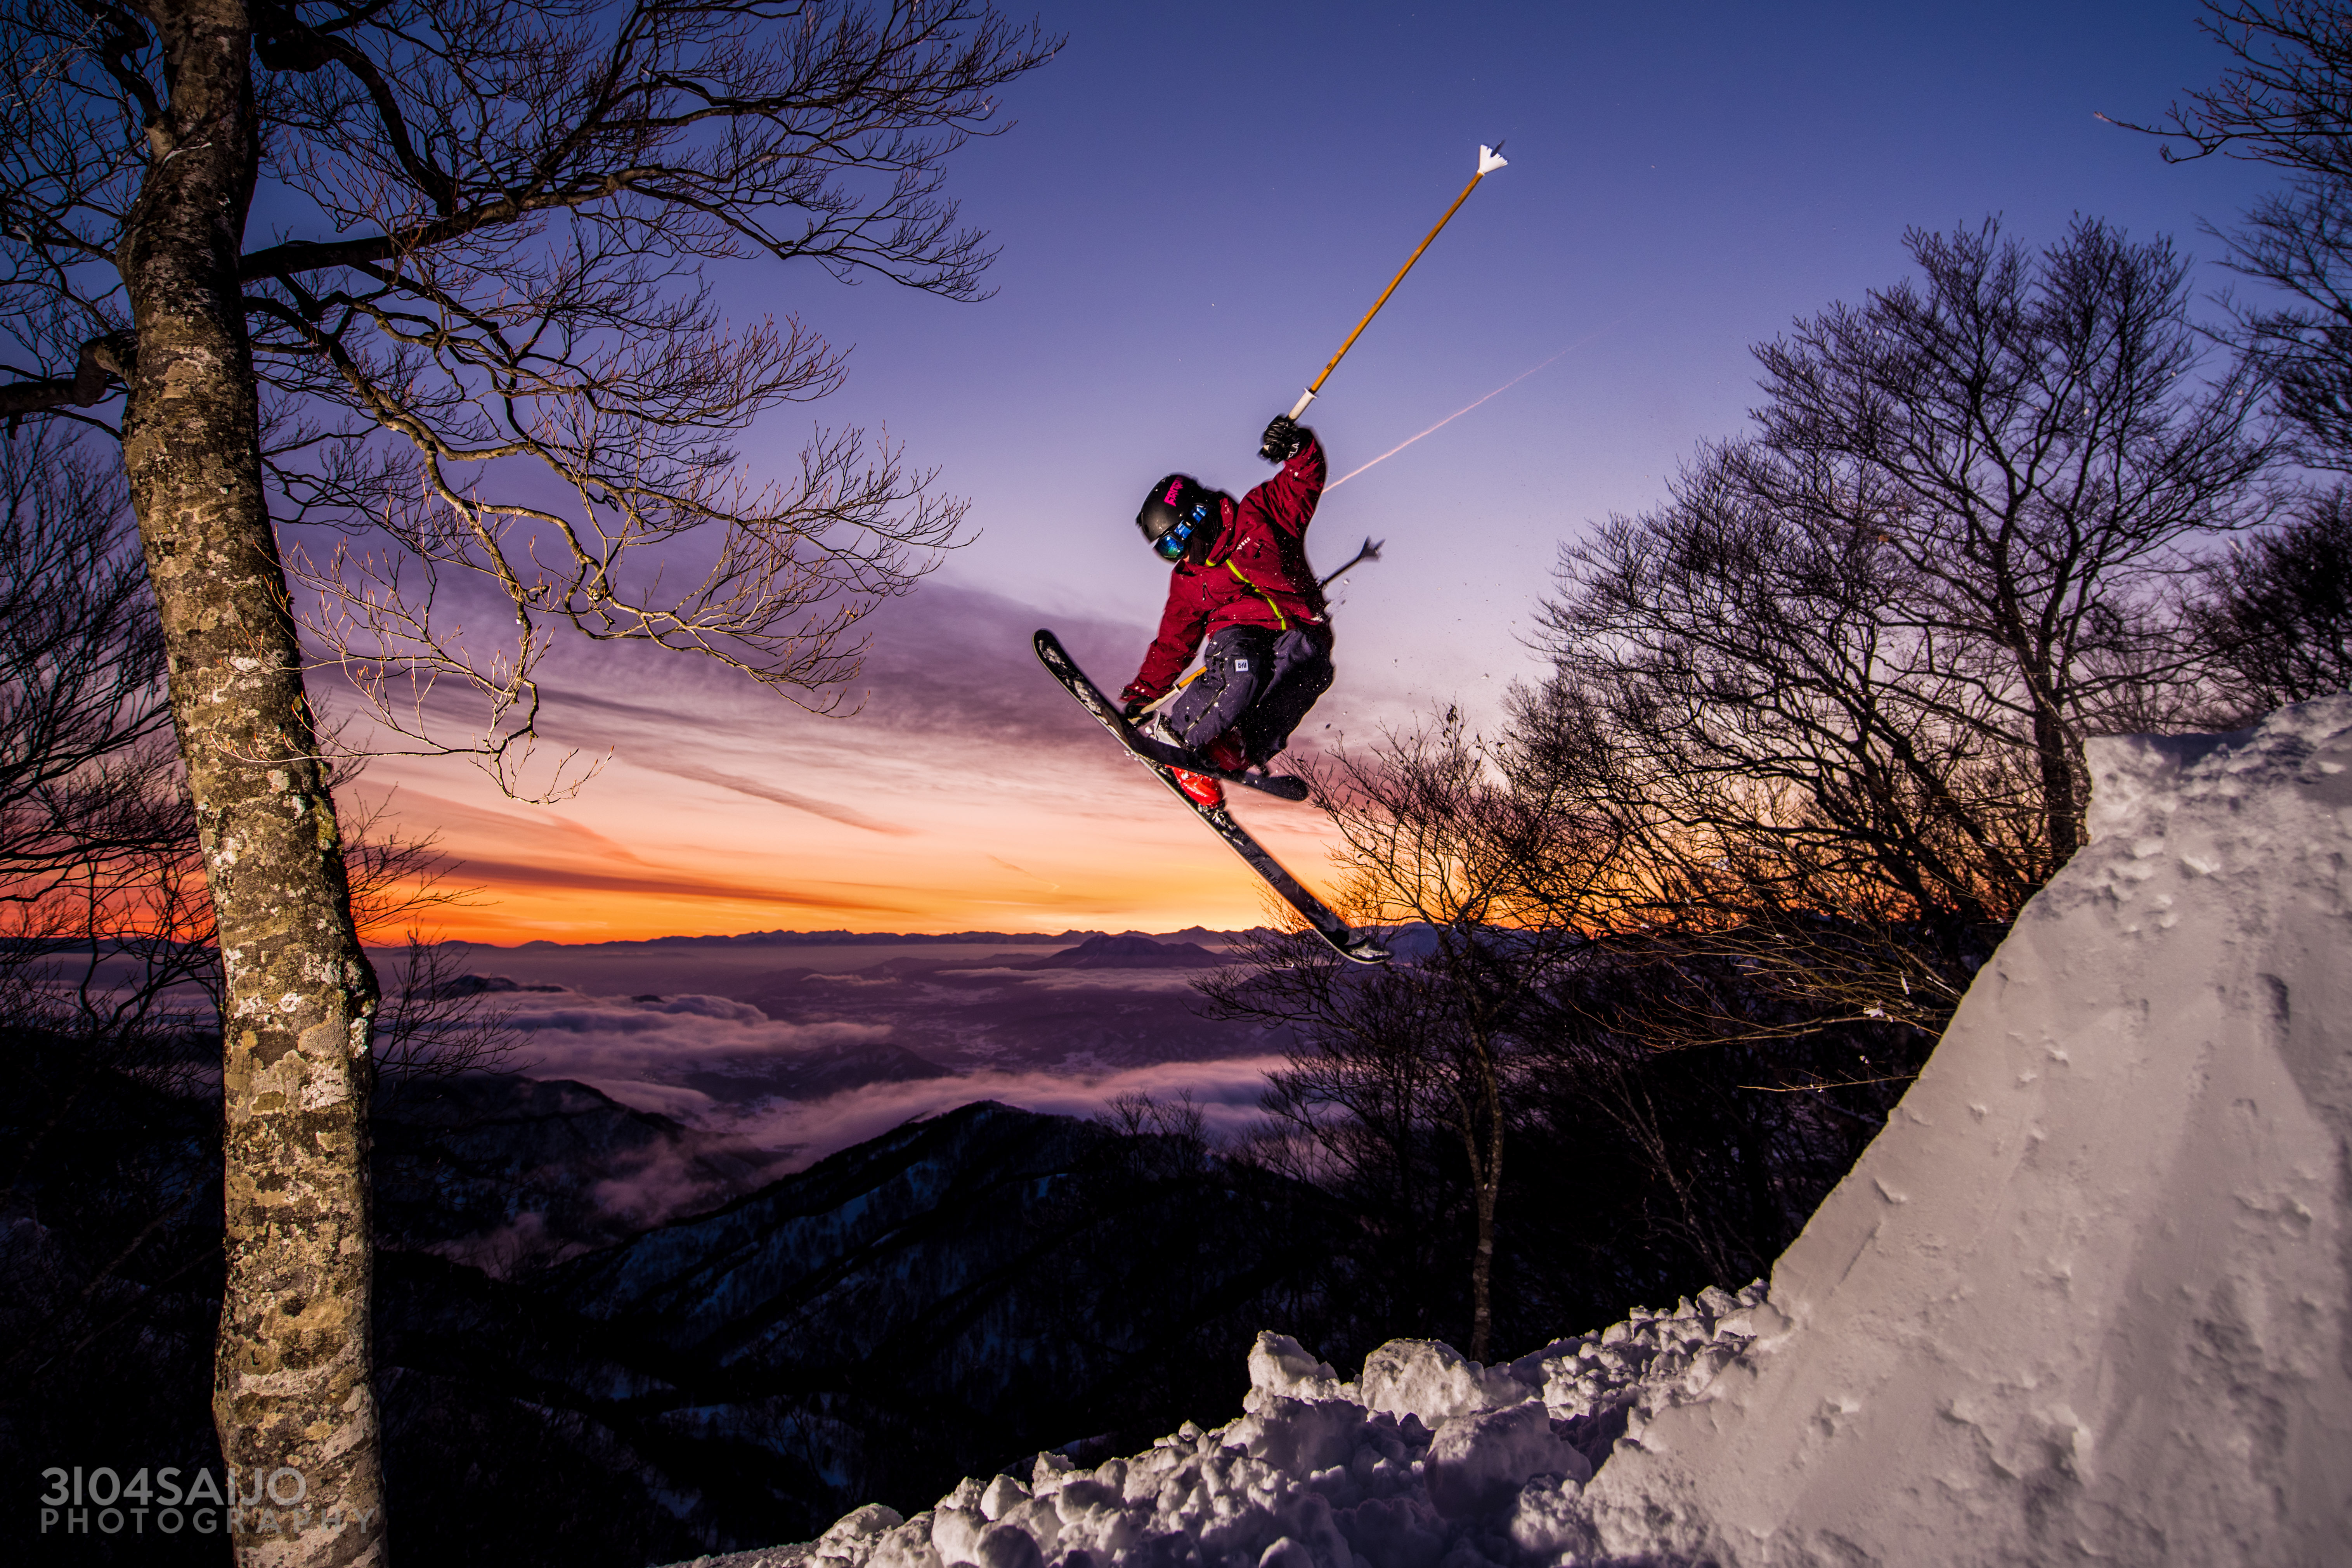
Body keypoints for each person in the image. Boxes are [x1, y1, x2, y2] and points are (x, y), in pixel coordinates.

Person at [1119, 414, 1336, 807]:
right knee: (1244, 667)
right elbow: (1174, 641)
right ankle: (1181, 737)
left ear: (1195, 521)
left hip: (1299, 626)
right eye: (1166, 553)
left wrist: (1294, 446)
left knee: (1312, 670)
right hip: (1238, 631)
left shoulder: (1262, 515)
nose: (1178, 558)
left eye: (1173, 545)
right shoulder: (1190, 579)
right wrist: (1144, 693)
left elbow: (1304, 480)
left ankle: (1236, 746)